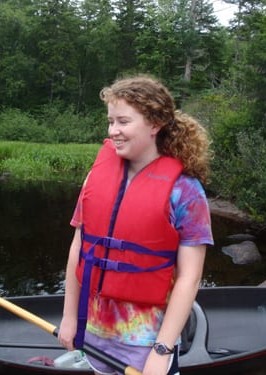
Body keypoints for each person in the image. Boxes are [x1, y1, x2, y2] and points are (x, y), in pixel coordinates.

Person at [58, 75, 213, 375]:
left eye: (123, 122)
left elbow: (190, 278)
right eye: (110, 121)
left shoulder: (185, 191)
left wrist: (162, 349)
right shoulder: (96, 178)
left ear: (155, 125)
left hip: (148, 342)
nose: (113, 131)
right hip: (94, 333)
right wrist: (69, 317)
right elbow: (79, 247)